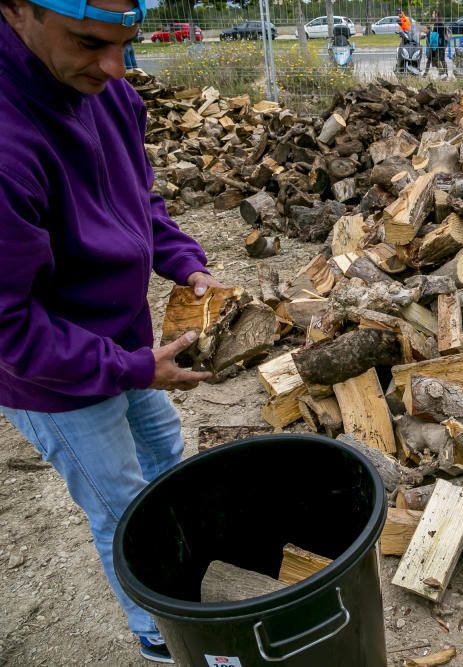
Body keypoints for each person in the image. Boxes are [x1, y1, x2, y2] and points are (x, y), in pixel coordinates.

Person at [0, 0, 222, 661]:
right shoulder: (7, 148)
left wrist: (182, 259)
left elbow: (139, 199)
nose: (116, 67)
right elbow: (10, 330)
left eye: (126, 43)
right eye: (89, 41)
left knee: (161, 444)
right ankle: (158, 629)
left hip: (122, 342)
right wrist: (133, 369)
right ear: (15, 9)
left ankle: (180, 565)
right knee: (120, 500)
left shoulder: (100, 89)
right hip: (50, 376)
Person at [423, 9, 446, 77]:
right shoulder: (438, 23)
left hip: (438, 45)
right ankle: (426, 73)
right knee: (432, 59)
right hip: (437, 45)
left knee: (437, 60)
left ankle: (443, 73)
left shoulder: (438, 23)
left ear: (436, 14)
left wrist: (430, 34)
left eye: (433, 14)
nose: (432, 15)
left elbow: (439, 35)